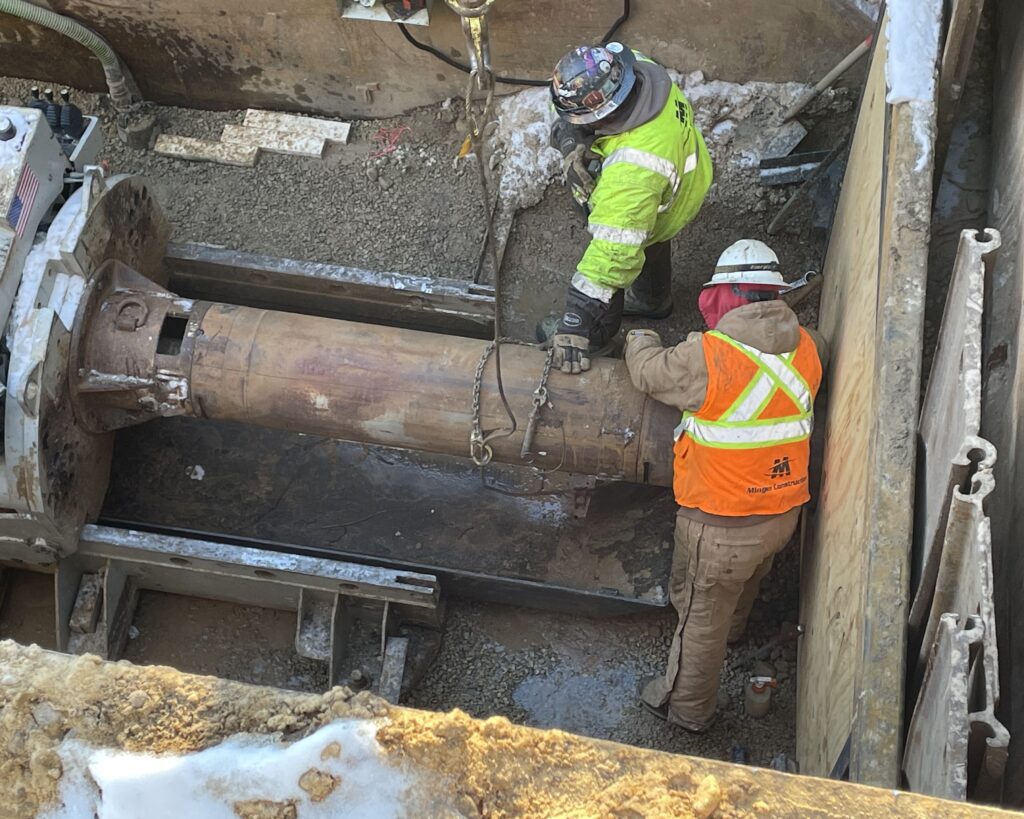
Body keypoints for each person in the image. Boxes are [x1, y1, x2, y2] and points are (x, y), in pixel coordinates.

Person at [623, 239, 827, 732]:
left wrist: (638, 339)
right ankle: (734, 632)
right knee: (741, 586)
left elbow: (649, 373)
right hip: (782, 514)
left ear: (726, 298)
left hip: (721, 525)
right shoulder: (810, 346)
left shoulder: (707, 358)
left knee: (700, 624)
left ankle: (686, 709)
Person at [545, 42, 713, 374]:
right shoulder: (634, 68)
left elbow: (613, 253)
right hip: (684, 181)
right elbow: (569, 109)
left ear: (603, 114)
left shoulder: (633, 172)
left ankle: (598, 337)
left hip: (657, 195)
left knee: (625, 248)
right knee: (649, 240)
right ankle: (653, 301)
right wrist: (571, 141)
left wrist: (576, 319)